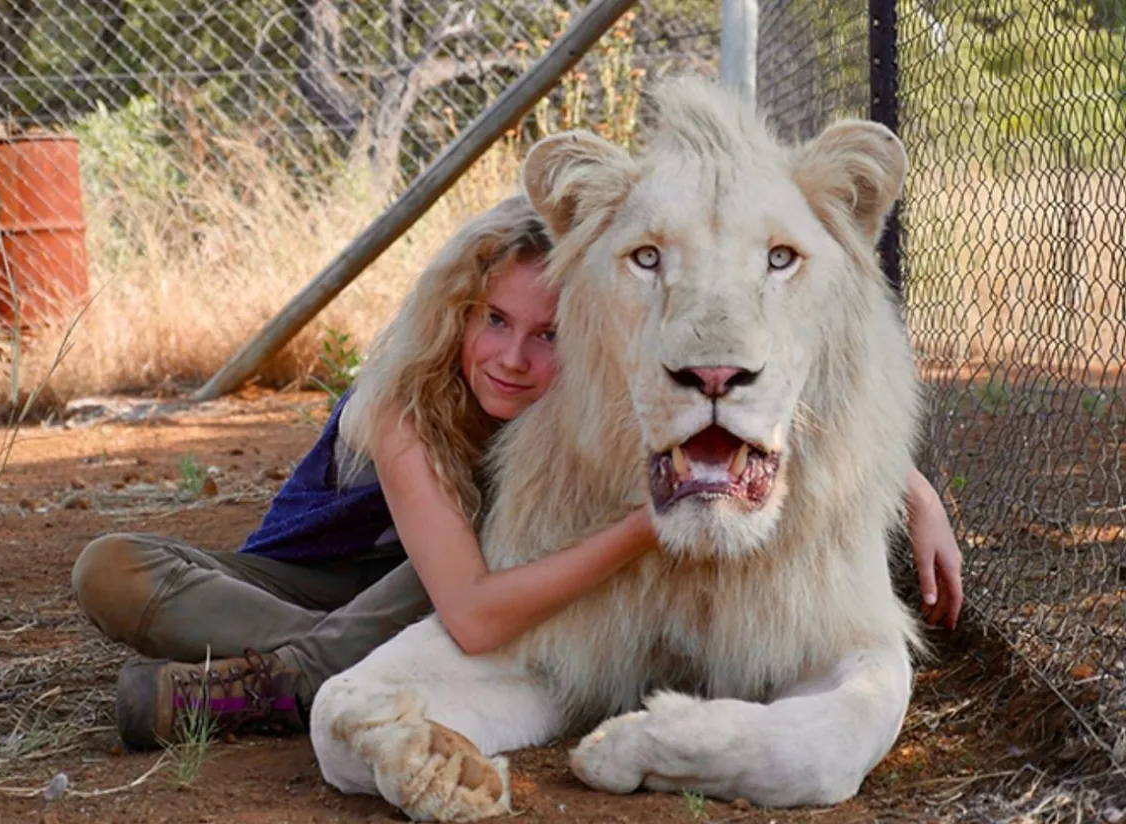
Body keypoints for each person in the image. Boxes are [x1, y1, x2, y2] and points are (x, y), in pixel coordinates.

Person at [72, 195, 964, 751]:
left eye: (549, 336)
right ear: (458, 313)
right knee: (108, 567)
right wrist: (642, 522)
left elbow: (735, 417)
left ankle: (284, 674)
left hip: (458, 579)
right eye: (493, 321)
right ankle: (302, 670)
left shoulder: (591, 392)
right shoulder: (399, 407)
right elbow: (470, 608)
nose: (511, 358)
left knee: (467, 566)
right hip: (344, 577)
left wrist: (911, 490)